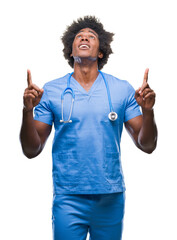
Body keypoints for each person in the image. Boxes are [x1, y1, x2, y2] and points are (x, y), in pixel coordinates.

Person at [20, 16, 157, 240]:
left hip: (110, 197)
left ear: (100, 52)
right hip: (68, 197)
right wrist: (27, 111)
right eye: (79, 36)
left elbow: (147, 145)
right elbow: (31, 149)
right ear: (71, 51)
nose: (84, 37)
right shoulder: (51, 91)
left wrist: (148, 111)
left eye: (91, 36)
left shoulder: (122, 89)